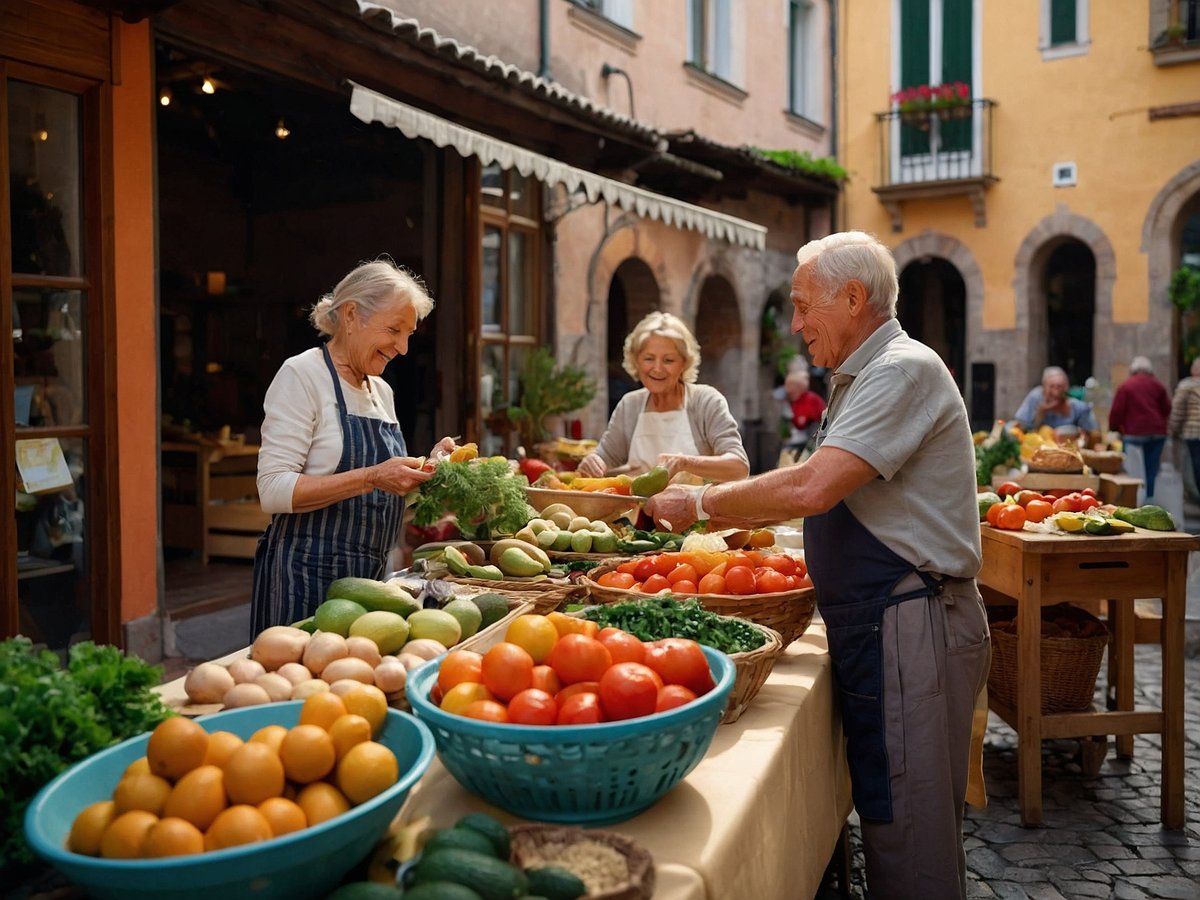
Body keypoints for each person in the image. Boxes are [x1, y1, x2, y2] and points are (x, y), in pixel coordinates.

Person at [645, 232, 990, 899]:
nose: (795, 323)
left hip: (913, 622)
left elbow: (812, 486)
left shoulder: (899, 369)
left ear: (854, 297)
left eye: (804, 306)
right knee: (893, 813)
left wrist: (699, 503)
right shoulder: (864, 373)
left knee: (910, 834)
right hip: (887, 622)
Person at [252, 259, 456, 635]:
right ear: (350, 315)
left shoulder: (382, 391)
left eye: (409, 334)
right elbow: (273, 490)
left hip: (370, 588)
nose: (403, 348)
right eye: (394, 330)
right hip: (305, 581)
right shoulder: (302, 375)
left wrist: (426, 474)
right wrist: (374, 476)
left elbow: (380, 499)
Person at [575, 311, 749, 482]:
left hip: (695, 509)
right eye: (649, 358)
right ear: (636, 361)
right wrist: (593, 462)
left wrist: (684, 463)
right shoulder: (630, 405)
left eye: (668, 360)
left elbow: (739, 467)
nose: (657, 369)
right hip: (638, 510)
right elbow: (605, 457)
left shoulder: (706, 401)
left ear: (684, 363)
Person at [1108, 356, 1171, 498]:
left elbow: (1117, 411)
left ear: (1133, 370)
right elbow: (1166, 408)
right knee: (1151, 469)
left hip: (1134, 433)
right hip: (1157, 432)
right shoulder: (1158, 385)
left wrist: (1114, 428)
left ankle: (1132, 498)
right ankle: (1149, 499)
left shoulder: (1126, 386)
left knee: (1132, 470)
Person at [1011, 365, 1100, 444]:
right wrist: (1041, 413)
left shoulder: (1077, 406)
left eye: (1059, 387)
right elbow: (1020, 427)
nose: (1055, 392)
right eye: (1051, 386)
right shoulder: (1035, 397)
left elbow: (1094, 434)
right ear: (1044, 388)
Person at [1168, 357, 1200, 500]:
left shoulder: (1187, 385)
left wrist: (1173, 429)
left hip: (1194, 433)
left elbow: (1178, 411)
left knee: (1195, 470)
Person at [780, 366, 826, 453]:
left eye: (791, 388)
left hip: (815, 439)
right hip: (803, 438)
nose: (788, 391)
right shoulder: (795, 401)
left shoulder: (810, 399)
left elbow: (812, 421)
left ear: (800, 388)